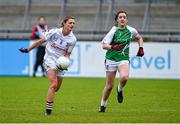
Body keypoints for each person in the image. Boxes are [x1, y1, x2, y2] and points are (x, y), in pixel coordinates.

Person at [19, 16, 77, 115]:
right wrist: (28, 49)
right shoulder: (55, 32)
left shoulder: (73, 39)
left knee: (57, 88)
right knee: (53, 84)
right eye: (70, 23)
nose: (72, 25)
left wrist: (66, 62)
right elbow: (40, 41)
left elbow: (68, 53)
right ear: (64, 23)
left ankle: (49, 101)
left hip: (60, 63)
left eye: (73, 23)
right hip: (49, 60)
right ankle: (48, 111)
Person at [99, 10, 144, 112]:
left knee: (124, 77)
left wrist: (141, 48)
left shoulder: (131, 30)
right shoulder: (113, 31)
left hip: (123, 59)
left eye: (124, 17)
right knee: (109, 86)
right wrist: (113, 47)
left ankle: (119, 89)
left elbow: (139, 38)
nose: (122, 19)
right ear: (117, 20)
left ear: (126, 19)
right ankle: (103, 105)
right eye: (120, 17)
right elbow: (104, 46)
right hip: (111, 59)